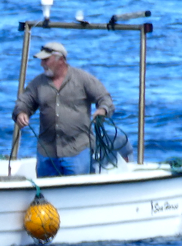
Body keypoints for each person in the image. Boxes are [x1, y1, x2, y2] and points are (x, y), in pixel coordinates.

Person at [12, 41, 114, 177]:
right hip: (46, 152)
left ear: (60, 59)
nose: (42, 64)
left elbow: (105, 99)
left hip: (77, 150)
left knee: (77, 193)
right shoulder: (38, 83)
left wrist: (102, 110)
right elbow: (24, 101)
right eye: (42, 61)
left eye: (46, 60)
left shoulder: (82, 78)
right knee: (46, 194)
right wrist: (21, 112)